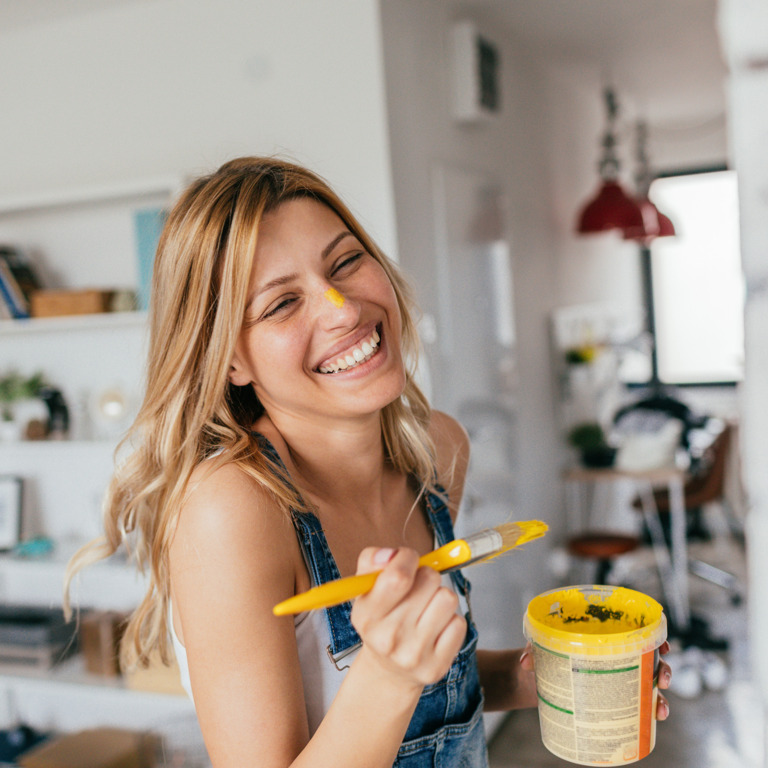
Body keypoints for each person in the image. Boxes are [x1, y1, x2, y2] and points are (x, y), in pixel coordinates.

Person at [65, 156, 670, 767]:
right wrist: (387, 674)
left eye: (346, 262)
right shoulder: (232, 509)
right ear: (231, 362)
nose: (342, 309)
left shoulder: (436, 451)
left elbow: (438, 689)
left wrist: (538, 678)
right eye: (281, 304)